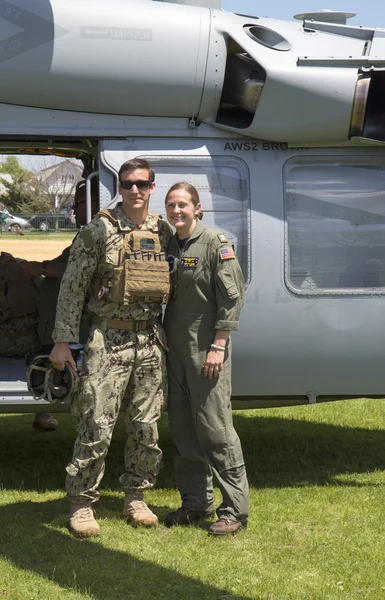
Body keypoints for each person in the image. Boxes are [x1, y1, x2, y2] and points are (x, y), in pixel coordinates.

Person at [49, 158, 172, 538]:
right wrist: (62, 341)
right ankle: (83, 503)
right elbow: (72, 287)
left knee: (146, 426)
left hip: (150, 341)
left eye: (142, 183)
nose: (135, 190)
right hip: (108, 340)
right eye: (128, 183)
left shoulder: (163, 231)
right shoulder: (97, 230)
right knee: (96, 423)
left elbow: (180, 270)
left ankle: (136, 496)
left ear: (153, 187)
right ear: (120, 187)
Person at [163, 182, 249, 536]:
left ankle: (234, 511)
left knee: (216, 431)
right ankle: (196, 502)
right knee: (183, 430)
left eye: (183, 205)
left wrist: (218, 345)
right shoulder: (169, 245)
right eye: (171, 205)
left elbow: (232, 298)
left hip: (206, 351)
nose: (177, 211)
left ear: (198, 209)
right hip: (176, 352)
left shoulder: (215, 243)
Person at [24, 180, 99, 431]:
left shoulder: (97, 235)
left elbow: (80, 271)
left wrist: (44, 269)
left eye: (77, 204)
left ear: (93, 205)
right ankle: (43, 411)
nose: (74, 210)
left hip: (79, 323)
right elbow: (62, 261)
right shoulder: (84, 235)